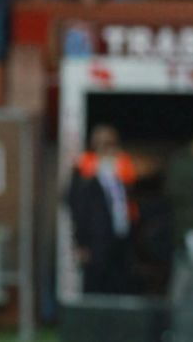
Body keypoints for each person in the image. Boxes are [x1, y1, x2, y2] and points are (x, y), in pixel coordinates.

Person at [66, 125, 137, 294]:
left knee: (118, 282)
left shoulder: (120, 173)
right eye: (104, 145)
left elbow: (127, 198)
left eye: (111, 144)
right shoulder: (85, 172)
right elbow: (77, 208)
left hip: (120, 236)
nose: (109, 150)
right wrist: (81, 242)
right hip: (95, 240)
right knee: (95, 284)